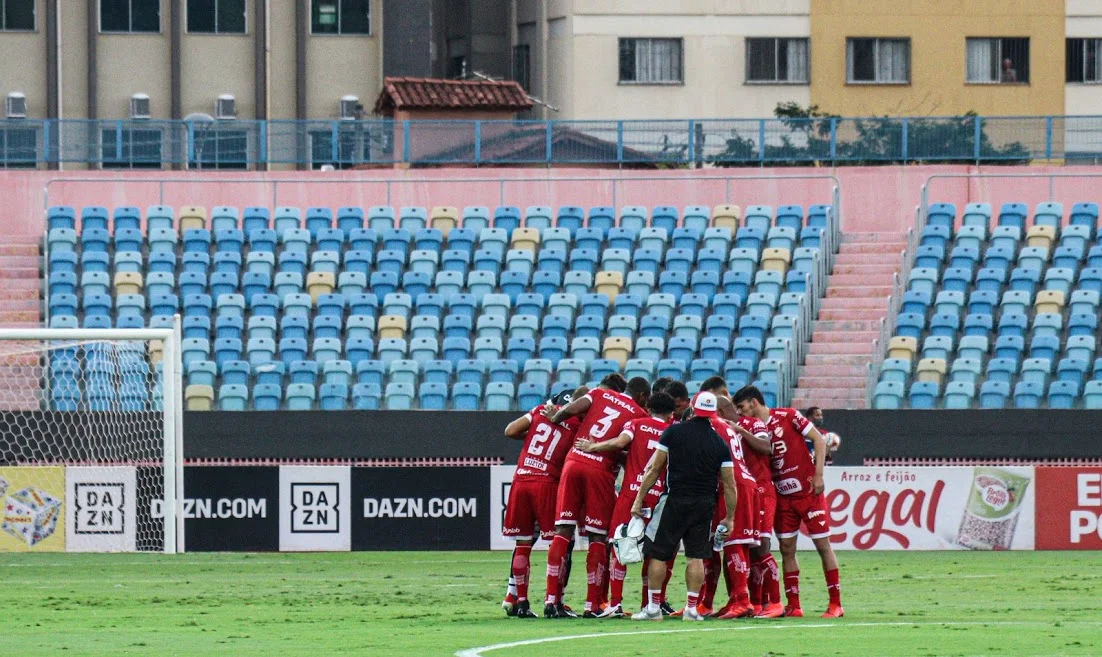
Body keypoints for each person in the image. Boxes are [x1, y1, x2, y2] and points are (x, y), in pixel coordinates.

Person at [542, 374, 651, 618]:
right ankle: (593, 605)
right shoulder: (639, 415)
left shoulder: (600, 393)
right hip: (600, 469)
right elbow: (631, 451)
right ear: (643, 396)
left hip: (574, 461)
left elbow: (575, 407)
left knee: (563, 531)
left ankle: (551, 601)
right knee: (597, 536)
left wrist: (556, 417)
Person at [733, 385, 844, 619]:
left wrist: (819, 474)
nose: (740, 413)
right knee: (786, 550)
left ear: (753, 403)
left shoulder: (789, 415)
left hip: (808, 492)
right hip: (782, 497)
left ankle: (835, 604)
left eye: (741, 407)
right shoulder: (755, 430)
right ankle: (794, 605)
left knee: (822, 546)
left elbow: (819, 440)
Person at [630, 391, 738, 622]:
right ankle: (691, 609)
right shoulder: (719, 443)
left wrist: (639, 499)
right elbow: (730, 484)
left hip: (674, 500)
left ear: (692, 407)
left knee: (658, 555)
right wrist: (730, 517)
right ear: (713, 413)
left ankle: (653, 608)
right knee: (695, 556)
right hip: (704, 504)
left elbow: (654, 469)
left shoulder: (673, 432)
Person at [575, 392, 677, 618]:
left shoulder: (636, 424)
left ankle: (616, 604)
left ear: (648, 407)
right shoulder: (673, 432)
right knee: (654, 552)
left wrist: (593, 447)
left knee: (619, 547)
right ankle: (648, 603)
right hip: (658, 496)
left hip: (632, 494)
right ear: (672, 414)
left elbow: (620, 443)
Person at [500, 387, 585, 618]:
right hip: (548, 483)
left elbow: (510, 430)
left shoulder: (540, 410)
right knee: (561, 541)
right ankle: (553, 601)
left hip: (521, 478)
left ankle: (519, 600)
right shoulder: (578, 424)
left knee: (523, 543)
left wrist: (534, 431)